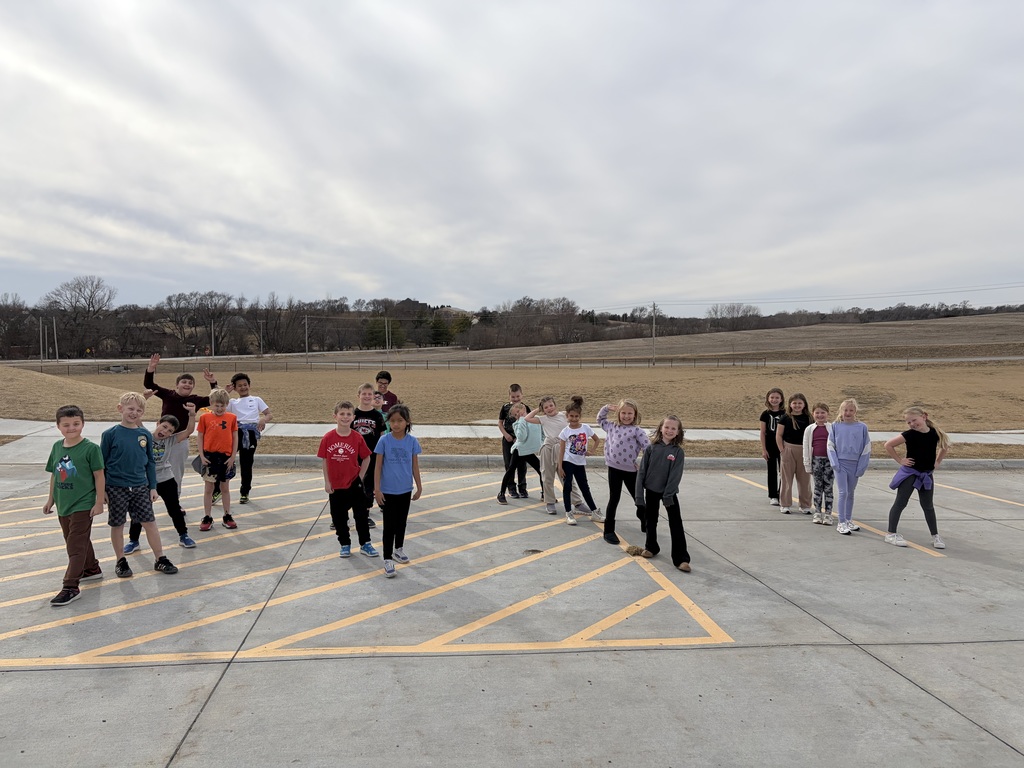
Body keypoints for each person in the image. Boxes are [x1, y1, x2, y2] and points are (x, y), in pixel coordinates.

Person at [101, 392, 178, 578]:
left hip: (140, 487)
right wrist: (102, 490)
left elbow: (150, 462)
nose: (134, 413)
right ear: (120, 409)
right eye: (130, 409)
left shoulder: (144, 434)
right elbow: (101, 464)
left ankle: (160, 558)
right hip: (116, 487)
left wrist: (152, 486)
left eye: (138, 410)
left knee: (150, 523)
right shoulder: (110, 434)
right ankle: (120, 560)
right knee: (118, 524)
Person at [43, 405, 106, 606]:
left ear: (83, 424)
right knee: (74, 539)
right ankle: (91, 569)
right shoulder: (57, 447)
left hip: (83, 503)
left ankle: (70, 586)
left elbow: (99, 475)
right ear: (58, 426)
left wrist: (98, 502)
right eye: (66, 425)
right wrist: (50, 498)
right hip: (63, 503)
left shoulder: (90, 449)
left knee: (75, 544)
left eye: (76, 424)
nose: (72, 428)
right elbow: (54, 473)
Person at [143, 353, 218, 498]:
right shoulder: (168, 394)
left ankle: (175, 501)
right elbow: (150, 385)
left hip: (180, 440)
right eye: (184, 382)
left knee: (176, 472)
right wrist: (151, 368)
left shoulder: (194, 400)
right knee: (152, 468)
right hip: (161, 438)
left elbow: (214, 399)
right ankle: (148, 497)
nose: (187, 385)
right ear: (177, 384)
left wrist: (213, 383)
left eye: (190, 383)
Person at [126, 404, 198, 553]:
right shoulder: (145, 435)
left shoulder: (170, 440)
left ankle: (183, 535)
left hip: (166, 478)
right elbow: (136, 418)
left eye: (170, 430)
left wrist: (192, 414)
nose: (165, 431)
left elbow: (189, 430)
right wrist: (142, 401)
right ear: (158, 424)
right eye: (164, 427)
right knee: (140, 512)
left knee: (174, 509)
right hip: (145, 480)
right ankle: (134, 541)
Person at [318, 401, 379, 559]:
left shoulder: (357, 437)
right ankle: (345, 544)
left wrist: (360, 476)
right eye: (342, 414)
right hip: (336, 485)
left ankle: (365, 544)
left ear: (353, 417)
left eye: (348, 414)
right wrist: (327, 481)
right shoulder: (328, 438)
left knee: (360, 515)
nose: (345, 417)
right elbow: (324, 460)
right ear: (335, 416)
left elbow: (366, 458)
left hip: (354, 484)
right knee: (338, 517)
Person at [883, 406, 950, 549]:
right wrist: (900, 460)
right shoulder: (909, 435)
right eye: (909, 422)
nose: (912, 424)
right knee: (901, 503)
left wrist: (937, 462)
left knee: (928, 506)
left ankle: (935, 536)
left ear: (924, 416)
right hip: (910, 473)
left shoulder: (934, 433)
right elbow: (888, 445)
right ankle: (890, 533)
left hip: (926, 475)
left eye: (914, 420)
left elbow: (944, 446)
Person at [635, 416, 690, 572]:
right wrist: (639, 496)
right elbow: (642, 472)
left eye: (673, 428)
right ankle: (651, 547)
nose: (669, 431)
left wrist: (668, 495)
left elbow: (675, 476)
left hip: (669, 494)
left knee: (676, 524)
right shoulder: (651, 449)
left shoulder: (678, 452)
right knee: (650, 520)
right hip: (651, 490)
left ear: (678, 432)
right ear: (660, 428)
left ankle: (681, 558)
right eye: (667, 427)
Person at [374, 404, 423, 579]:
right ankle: (387, 559)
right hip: (387, 491)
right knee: (389, 526)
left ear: (407, 422)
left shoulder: (412, 442)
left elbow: (414, 466)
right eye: (392, 421)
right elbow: (377, 467)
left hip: (405, 490)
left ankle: (398, 549)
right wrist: (377, 489)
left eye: (399, 421)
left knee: (401, 522)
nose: (396, 424)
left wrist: (419, 486)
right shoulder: (384, 441)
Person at [597, 399, 649, 544]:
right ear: (618, 414)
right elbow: (600, 419)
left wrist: (644, 466)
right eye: (623, 413)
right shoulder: (611, 426)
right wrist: (606, 407)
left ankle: (644, 520)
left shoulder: (637, 431)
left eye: (629, 413)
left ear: (635, 415)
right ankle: (608, 531)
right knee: (614, 499)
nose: (626, 416)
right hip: (613, 469)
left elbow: (648, 449)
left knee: (639, 500)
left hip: (631, 471)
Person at [526, 396, 584, 515]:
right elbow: (527, 418)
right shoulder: (543, 419)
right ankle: (550, 502)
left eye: (551, 405)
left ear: (555, 405)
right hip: (548, 447)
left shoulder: (564, 415)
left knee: (566, 475)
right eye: (546, 407)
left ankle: (577, 502)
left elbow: (575, 416)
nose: (549, 409)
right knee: (547, 475)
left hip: (562, 447)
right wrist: (539, 409)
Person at [827, 398, 872, 536]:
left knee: (851, 493)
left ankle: (848, 519)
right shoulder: (835, 426)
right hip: (841, 464)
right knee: (843, 492)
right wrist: (834, 462)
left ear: (855, 411)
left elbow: (866, 448)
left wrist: (861, 466)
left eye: (851, 410)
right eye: (845, 410)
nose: (848, 413)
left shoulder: (862, 427)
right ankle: (841, 522)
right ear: (841, 411)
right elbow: (830, 445)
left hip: (855, 464)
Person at [557, 395, 603, 526]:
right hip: (568, 462)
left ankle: (594, 511)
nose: (574, 419)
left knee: (584, 487)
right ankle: (569, 513)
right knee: (567, 487)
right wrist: (560, 466)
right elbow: (561, 450)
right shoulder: (565, 431)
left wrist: (591, 451)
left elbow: (597, 439)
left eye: (576, 416)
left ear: (580, 416)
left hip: (580, 462)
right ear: (567, 416)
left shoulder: (586, 428)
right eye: (571, 416)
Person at [225, 372, 272, 504]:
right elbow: (220, 406)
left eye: (245, 385)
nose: (243, 387)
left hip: (250, 435)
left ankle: (244, 491)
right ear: (234, 388)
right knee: (226, 461)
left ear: (249, 385)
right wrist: (226, 393)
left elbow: (269, 414)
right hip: (235, 433)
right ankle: (218, 489)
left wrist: (263, 419)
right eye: (239, 386)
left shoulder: (256, 399)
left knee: (246, 463)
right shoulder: (232, 402)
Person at [196, 389, 239, 532]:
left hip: (226, 457)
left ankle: (227, 515)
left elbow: (235, 437)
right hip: (209, 457)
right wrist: (202, 455)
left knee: (224, 488)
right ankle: (207, 516)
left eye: (222, 406)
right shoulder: (204, 418)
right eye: (216, 406)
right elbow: (200, 436)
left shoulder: (232, 418)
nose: (219, 409)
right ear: (211, 404)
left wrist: (233, 456)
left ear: (227, 404)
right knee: (208, 489)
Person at [353, 382, 387, 527]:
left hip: (372, 455)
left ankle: (365, 513)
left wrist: (382, 454)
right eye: (364, 394)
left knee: (369, 484)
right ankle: (345, 512)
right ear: (358, 396)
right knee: (354, 484)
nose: (367, 396)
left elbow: (382, 435)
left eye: (369, 394)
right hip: (355, 456)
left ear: (373, 396)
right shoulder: (353, 414)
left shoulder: (377, 416)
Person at [496, 402, 543, 505]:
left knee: (541, 470)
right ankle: (501, 494)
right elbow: (521, 437)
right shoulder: (517, 424)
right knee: (510, 470)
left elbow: (542, 433)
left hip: (529, 451)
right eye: (515, 415)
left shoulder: (536, 420)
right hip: (520, 450)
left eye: (518, 411)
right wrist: (521, 420)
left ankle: (545, 494)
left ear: (524, 408)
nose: (518, 415)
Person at [775, 393, 812, 514]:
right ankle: (785, 504)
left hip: (804, 450)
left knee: (804, 479)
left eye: (800, 403)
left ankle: (805, 505)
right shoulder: (785, 418)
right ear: (790, 404)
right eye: (794, 403)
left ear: (804, 404)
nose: (797, 405)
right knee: (786, 479)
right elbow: (779, 435)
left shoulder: (809, 418)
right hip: (789, 449)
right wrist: (782, 450)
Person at [802, 403, 835, 525]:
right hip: (816, 460)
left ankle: (828, 514)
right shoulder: (809, 429)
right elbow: (806, 447)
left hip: (829, 462)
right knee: (817, 487)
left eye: (823, 412)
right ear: (813, 414)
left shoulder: (833, 428)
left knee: (828, 488)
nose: (820, 415)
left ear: (828, 413)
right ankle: (817, 512)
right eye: (817, 413)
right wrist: (807, 464)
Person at [498, 384, 532, 498]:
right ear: (509, 396)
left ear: (522, 395)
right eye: (513, 397)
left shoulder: (525, 408)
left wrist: (521, 437)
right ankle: (511, 488)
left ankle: (522, 488)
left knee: (522, 465)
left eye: (518, 396)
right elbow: (500, 423)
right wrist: (506, 435)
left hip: (521, 441)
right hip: (508, 440)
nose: (516, 399)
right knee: (509, 465)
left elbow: (529, 423)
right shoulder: (505, 407)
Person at [759, 387, 785, 506]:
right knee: (772, 471)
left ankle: (782, 494)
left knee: (783, 471)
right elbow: (762, 432)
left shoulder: (785, 413)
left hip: (782, 446)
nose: (774, 400)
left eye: (777, 398)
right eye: (772, 397)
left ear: (781, 399)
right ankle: (773, 495)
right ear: (768, 399)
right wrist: (764, 449)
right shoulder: (765, 414)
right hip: (770, 445)